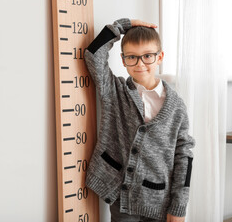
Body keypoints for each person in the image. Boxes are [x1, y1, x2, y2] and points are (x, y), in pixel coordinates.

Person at [84, 18, 195, 222]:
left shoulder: (176, 107)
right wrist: (123, 25)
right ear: (123, 59)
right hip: (121, 195)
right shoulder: (115, 91)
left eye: (147, 56)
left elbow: (184, 158)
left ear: (160, 57)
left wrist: (179, 206)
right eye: (132, 57)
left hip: (158, 199)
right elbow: (93, 54)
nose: (140, 63)